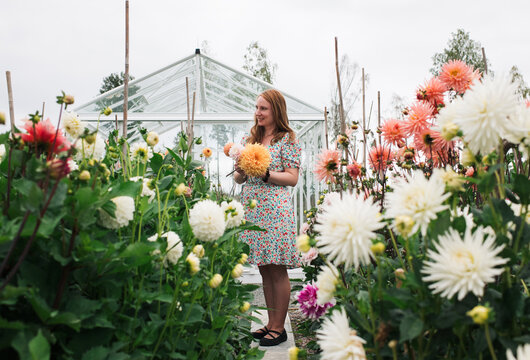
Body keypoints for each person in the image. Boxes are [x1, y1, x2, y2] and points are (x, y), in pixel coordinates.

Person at [234, 89, 302, 347]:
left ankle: (279, 328)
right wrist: (241, 170)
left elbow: (292, 178)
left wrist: (265, 173)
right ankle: (271, 324)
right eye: (256, 108)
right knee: (264, 268)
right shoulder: (249, 139)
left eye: (263, 108)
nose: (258, 113)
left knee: (277, 269)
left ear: (276, 111)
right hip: (253, 208)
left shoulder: (288, 140)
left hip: (274, 209)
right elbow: (240, 178)